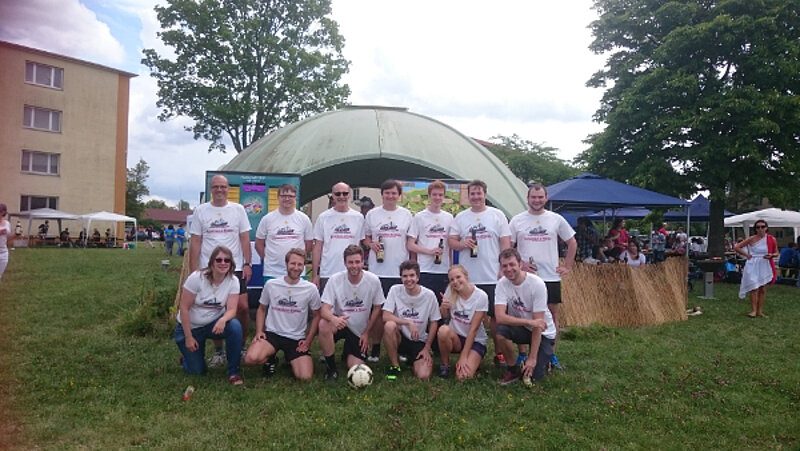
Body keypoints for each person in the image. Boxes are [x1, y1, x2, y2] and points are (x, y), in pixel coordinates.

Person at [509, 183, 576, 371]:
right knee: (520, 312)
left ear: (546, 198)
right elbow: (509, 247)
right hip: (524, 277)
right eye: (533, 197)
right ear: (527, 198)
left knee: (552, 314)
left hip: (550, 276)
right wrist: (520, 265)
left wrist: (567, 266)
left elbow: (572, 242)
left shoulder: (556, 219)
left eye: (540, 197)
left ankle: (551, 354)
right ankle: (523, 353)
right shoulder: (517, 220)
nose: (537, 200)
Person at [190, 174, 253, 368]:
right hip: (209, 268)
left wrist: (248, 263)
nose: (219, 190)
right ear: (211, 189)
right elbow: (196, 241)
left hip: (235, 267)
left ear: (228, 189)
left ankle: (241, 346)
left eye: (223, 187)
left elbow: (244, 238)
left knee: (242, 308)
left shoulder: (238, 209)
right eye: (216, 186)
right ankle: (219, 352)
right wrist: (194, 270)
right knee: (215, 308)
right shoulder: (201, 211)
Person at [449, 180, 511, 367]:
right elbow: (451, 242)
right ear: (468, 196)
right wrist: (463, 244)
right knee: (467, 316)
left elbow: (505, 244)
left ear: (485, 194)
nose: (476, 197)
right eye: (472, 194)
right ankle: (467, 350)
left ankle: (499, 354)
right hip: (468, 279)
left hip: (492, 276)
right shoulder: (461, 217)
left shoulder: (497, 215)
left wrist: (503, 269)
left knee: (496, 318)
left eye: (479, 193)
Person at [244, 248, 321, 380]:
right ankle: (271, 358)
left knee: (305, 377)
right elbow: (261, 309)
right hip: (273, 334)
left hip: (296, 338)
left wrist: (308, 340)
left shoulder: (310, 289)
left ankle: (290, 359)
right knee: (251, 359)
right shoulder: (271, 284)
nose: (296, 267)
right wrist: (259, 331)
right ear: (286, 264)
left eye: (300, 264)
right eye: (293, 263)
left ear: (304, 266)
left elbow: (317, 315)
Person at [174, 245, 244, 385]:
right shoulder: (196, 278)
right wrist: (188, 337)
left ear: (231, 264)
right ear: (211, 262)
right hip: (191, 328)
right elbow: (184, 308)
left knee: (235, 326)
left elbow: (232, 309)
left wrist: (223, 320)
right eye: (219, 260)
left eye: (227, 260)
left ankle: (233, 372)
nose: (223, 263)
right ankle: (187, 359)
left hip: (213, 324)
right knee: (198, 371)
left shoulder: (233, 281)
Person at [363, 179, 412, 361]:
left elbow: (410, 242)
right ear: (382, 194)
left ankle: (401, 348)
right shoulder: (372, 214)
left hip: (400, 272)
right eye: (387, 193)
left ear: (399, 195)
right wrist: (371, 244)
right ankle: (376, 349)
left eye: (394, 193)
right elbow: (365, 238)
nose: (390, 196)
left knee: (398, 312)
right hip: (378, 271)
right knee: (377, 312)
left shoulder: (407, 215)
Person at [318, 245, 385, 381]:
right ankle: (331, 369)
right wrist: (334, 319)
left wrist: (366, 333)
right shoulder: (335, 280)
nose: (354, 266)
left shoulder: (373, 280)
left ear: (363, 262)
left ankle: (348, 352)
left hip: (358, 331)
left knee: (354, 366)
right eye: (350, 262)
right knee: (324, 324)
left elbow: (378, 307)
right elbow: (324, 309)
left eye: (357, 262)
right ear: (344, 263)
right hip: (340, 323)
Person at [494, 248, 557, 385]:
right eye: (504, 266)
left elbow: (538, 325)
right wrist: (529, 322)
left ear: (520, 264)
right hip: (525, 327)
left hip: (544, 333)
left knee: (534, 377)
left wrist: (532, 358)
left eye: (512, 264)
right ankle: (512, 369)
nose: (508, 269)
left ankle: (543, 361)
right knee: (501, 332)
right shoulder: (501, 284)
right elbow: (500, 317)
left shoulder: (537, 284)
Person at [382, 260, 441, 380]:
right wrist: (409, 322)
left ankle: (412, 359)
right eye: (405, 276)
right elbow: (386, 316)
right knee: (389, 325)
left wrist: (427, 347)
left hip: (419, 339)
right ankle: (395, 365)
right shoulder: (395, 290)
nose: (408, 279)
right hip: (400, 338)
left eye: (412, 275)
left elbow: (434, 322)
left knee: (424, 375)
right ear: (401, 278)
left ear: (418, 277)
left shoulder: (429, 295)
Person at [436, 265, 488, 380]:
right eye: (452, 280)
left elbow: (474, 329)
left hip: (475, 340)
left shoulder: (481, 296)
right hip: (457, 337)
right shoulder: (450, 291)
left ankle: (472, 359)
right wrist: (443, 308)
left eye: (458, 277)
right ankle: (445, 365)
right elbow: (445, 317)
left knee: (462, 377)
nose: (455, 282)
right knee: (443, 330)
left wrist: (463, 356)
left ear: (466, 276)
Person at [312, 181, 365, 292]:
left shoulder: (359, 218)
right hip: (328, 272)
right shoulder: (323, 217)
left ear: (349, 195)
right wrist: (315, 275)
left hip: (351, 272)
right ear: (333, 195)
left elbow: (360, 247)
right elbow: (317, 248)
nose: (341, 196)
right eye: (338, 194)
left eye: (345, 193)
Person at [407, 180, 453, 305]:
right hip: (425, 269)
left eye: (440, 195)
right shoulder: (419, 217)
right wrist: (429, 251)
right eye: (434, 194)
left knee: (442, 304)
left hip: (443, 270)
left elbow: (450, 246)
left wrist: (451, 267)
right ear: (429, 196)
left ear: (444, 197)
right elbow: (410, 244)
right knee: (424, 305)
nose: (437, 198)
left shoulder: (449, 218)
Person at [255, 184, 313, 282]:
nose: (287, 199)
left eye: (290, 196)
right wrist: (269, 259)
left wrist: (298, 260)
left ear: (295, 198)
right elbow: (258, 244)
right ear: (278, 197)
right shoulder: (267, 219)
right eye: (283, 196)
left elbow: (309, 245)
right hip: (272, 272)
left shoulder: (304, 219)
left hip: (297, 271)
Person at [734, 219, 777, 318]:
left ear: (766, 228)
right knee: (754, 287)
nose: (760, 229)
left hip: (764, 263)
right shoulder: (751, 239)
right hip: (753, 263)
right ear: (755, 229)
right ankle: (753, 310)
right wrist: (747, 255)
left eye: (762, 227)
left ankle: (760, 311)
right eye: (758, 227)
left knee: (762, 289)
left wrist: (771, 255)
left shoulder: (771, 239)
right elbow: (737, 247)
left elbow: (776, 252)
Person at [0, 203, 10, 283]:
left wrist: (16, 235)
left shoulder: (7, 223)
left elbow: (7, 238)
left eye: (1, 211)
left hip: (3, 252)